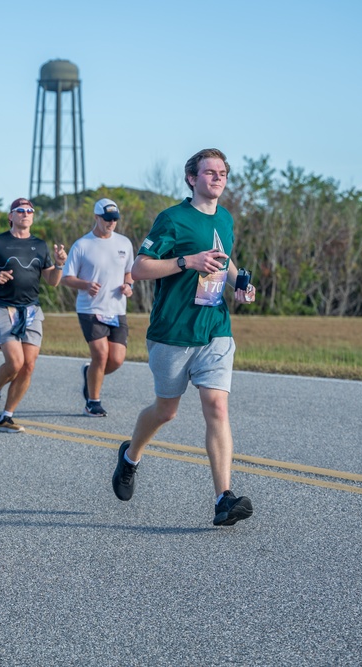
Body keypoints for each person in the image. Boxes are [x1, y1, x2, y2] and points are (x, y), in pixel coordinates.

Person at [111, 148, 257, 527]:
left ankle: (223, 499)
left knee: (217, 407)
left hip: (214, 328)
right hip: (173, 331)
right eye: (210, 172)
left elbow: (224, 259)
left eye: (222, 173)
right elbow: (139, 268)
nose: (218, 178)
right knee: (166, 411)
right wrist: (186, 261)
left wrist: (239, 284)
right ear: (192, 178)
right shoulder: (172, 219)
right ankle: (130, 456)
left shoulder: (225, 218)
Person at [0, 198, 68, 433]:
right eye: (20, 210)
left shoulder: (40, 245)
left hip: (32, 309)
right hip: (4, 307)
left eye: (30, 211)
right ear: (11, 216)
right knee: (15, 362)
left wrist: (59, 265)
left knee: (28, 365)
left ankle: (7, 416)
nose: (26, 214)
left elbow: (52, 281)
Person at [61, 198, 135, 417]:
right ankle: (93, 402)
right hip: (90, 308)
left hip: (117, 309)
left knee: (117, 360)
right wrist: (85, 285)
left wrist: (128, 285)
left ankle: (90, 373)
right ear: (96, 217)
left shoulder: (124, 243)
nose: (111, 223)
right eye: (107, 219)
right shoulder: (82, 245)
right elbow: (66, 278)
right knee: (101, 355)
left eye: (114, 219)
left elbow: (130, 272)